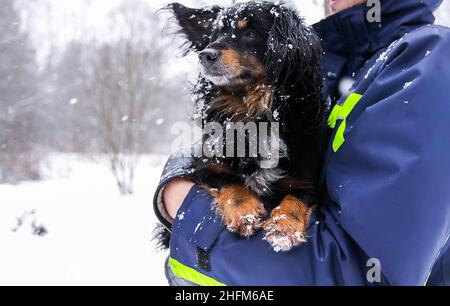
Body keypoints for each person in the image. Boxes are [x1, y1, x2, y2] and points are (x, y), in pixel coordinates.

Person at [154, 0, 450, 286]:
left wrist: (188, 205)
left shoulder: (427, 61)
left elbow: (367, 274)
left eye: (248, 33)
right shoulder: (330, 67)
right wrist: (193, 170)